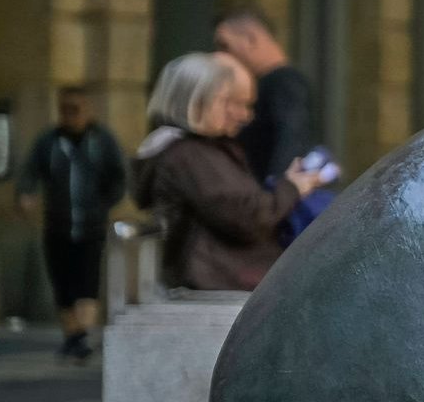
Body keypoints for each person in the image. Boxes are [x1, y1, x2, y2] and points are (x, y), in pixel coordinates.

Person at [135, 54, 319, 294]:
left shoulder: (202, 150)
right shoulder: (188, 155)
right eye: (226, 101)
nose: (243, 115)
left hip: (226, 280)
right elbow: (245, 215)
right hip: (218, 284)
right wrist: (292, 188)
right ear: (194, 101)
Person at [10, 86, 126, 363]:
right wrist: (26, 194)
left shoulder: (101, 141)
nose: (71, 115)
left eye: (76, 109)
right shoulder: (49, 141)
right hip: (58, 225)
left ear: (88, 110)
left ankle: (82, 336)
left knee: (86, 281)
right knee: (63, 284)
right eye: (65, 110)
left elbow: (118, 176)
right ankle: (72, 336)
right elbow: (30, 172)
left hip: (91, 226)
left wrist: (105, 204)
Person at [214, 9, 317, 194]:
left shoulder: (283, 83)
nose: (222, 56)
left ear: (251, 39)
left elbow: (291, 137)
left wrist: (276, 193)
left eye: (225, 45)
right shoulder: (274, 83)